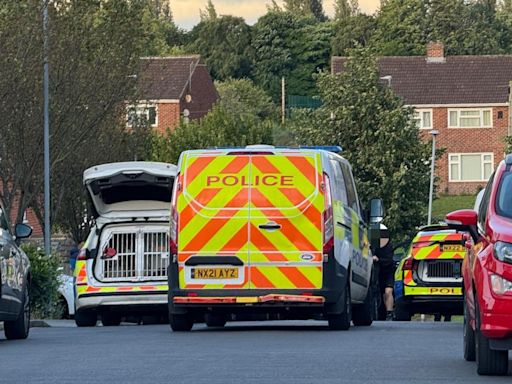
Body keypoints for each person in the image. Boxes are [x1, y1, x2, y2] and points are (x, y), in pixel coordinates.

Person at [373, 224, 395, 321]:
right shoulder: (372, 246)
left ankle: (389, 314)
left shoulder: (389, 246)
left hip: (388, 271)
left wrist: (378, 259)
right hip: (376, 272)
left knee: (388, 292)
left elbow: (388, 260)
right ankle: (378, 313)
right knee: (377, 293)